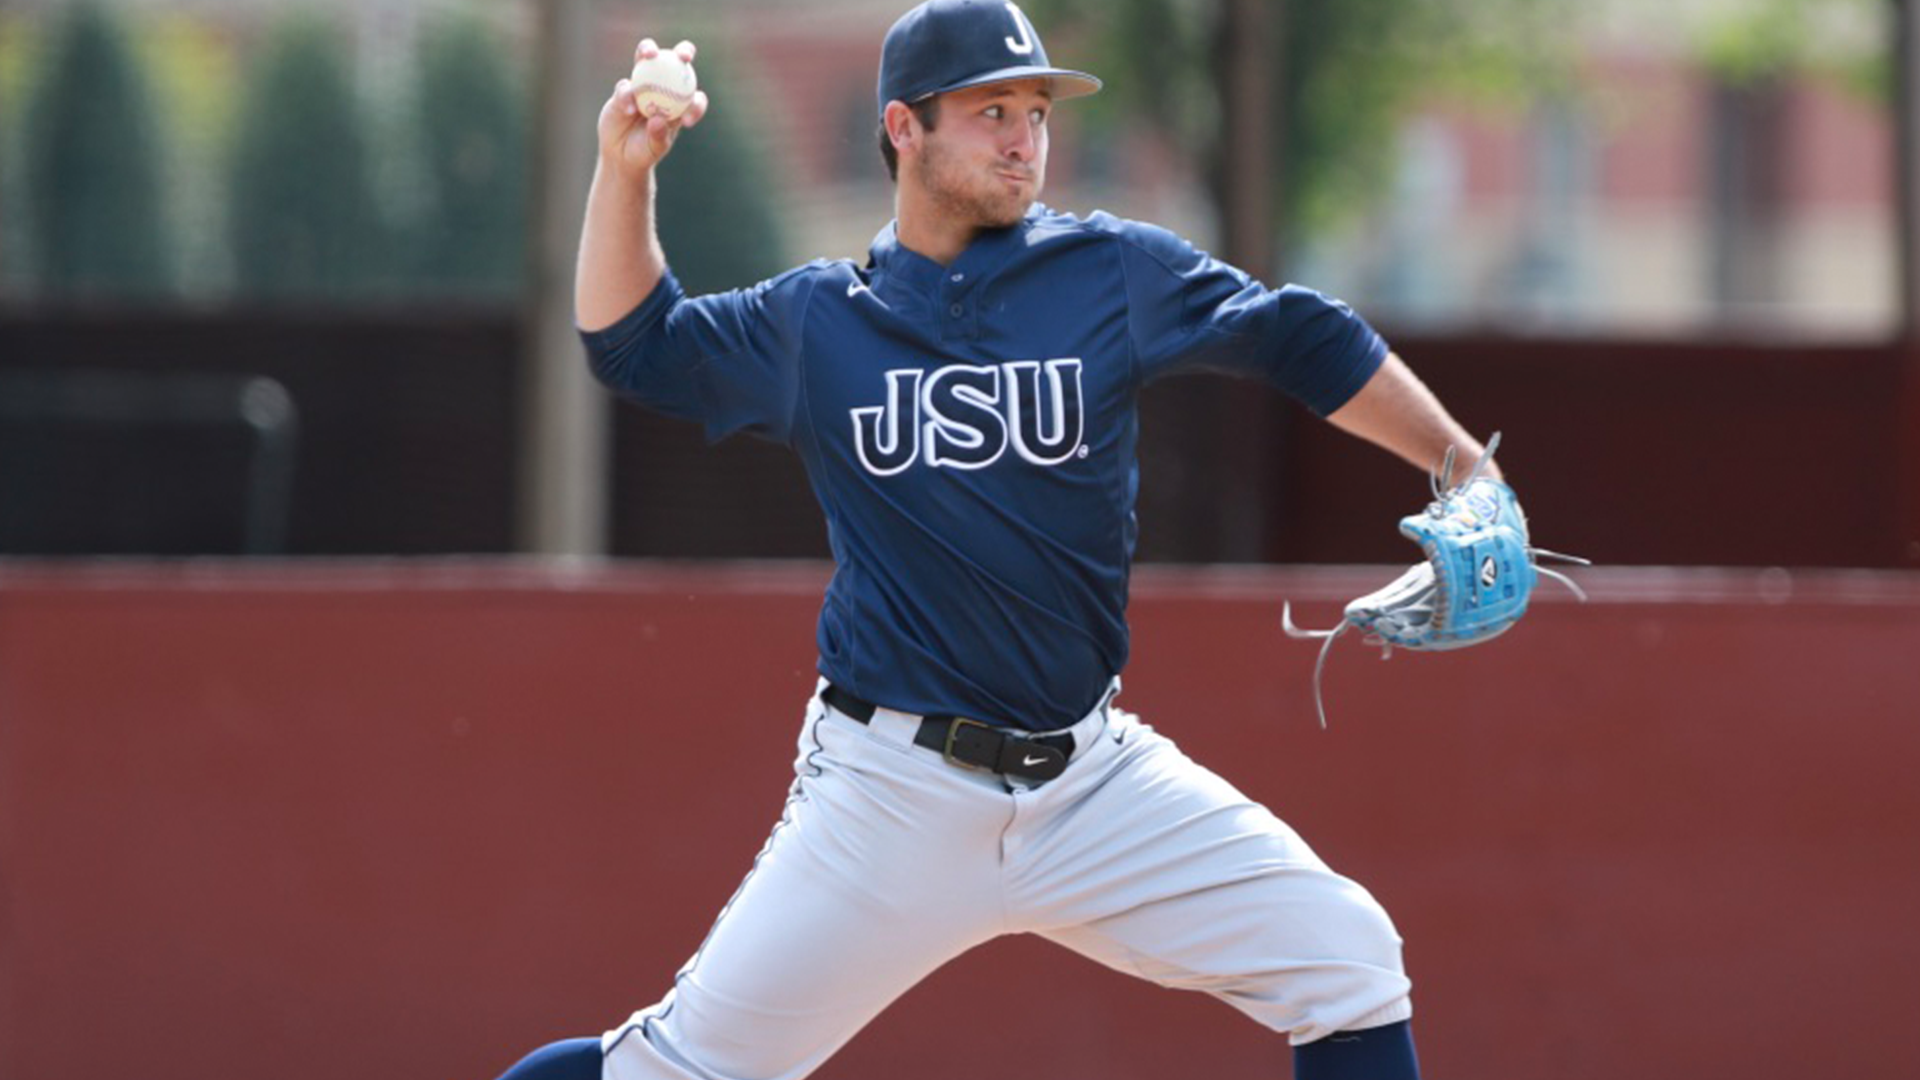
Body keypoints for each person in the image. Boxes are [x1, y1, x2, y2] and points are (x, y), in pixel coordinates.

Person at [497, 2, 1507, 1078]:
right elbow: (632, 345)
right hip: (892, 794)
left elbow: (1299, 333)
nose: (1026, 136)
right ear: (904, 127)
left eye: (1036, 110)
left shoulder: (1108, 273)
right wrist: (629, 167)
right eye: (990, 112)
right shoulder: (819, 324)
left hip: (1091, 782)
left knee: (1348, 961)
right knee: (672, 1070)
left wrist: (1465, 468)